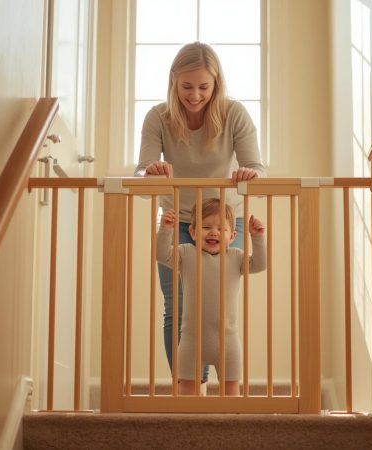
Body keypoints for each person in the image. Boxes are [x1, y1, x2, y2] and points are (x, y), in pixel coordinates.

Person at [134, 41, 266, 388]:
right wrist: (152, 171)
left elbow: (257, 167)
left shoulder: (234, 113)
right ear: (173, 81)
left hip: (224, 221)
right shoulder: (157, 117)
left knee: (218, 308)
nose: (195, 95)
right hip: (177, 219)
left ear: (216, 83)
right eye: (187, 86)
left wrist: (249, 175)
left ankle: (216, 384)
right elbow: (140, 171)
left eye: (204, 87)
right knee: (176, 307)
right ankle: (191, 388)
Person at [156, 199, 266, 395]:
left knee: (231, 393)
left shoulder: (236, 257)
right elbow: (161, 254)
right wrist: (165, 231)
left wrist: (257, 238)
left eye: (220, 229)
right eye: (206, 227)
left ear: (231, 236)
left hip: (228, 342)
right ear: (192, 233)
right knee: (188, 395)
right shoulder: (186, 253)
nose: (213, 232)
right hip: (191, 342)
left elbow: (260, 264)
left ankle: (229, 425)